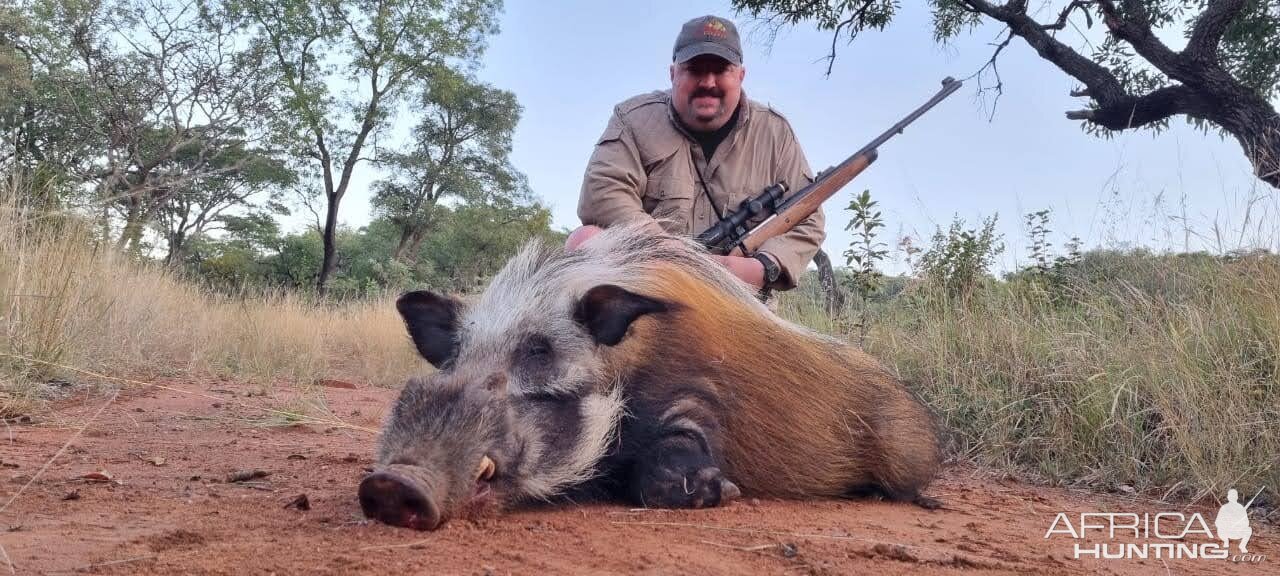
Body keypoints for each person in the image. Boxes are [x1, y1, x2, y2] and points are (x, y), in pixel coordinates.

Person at [570, 15, 825, 293]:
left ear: (740, 75)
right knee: (585, 240)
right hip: (648, 284)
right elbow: (603, 191)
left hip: (736, 294)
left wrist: (765, 266)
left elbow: (808, 216)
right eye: (694, 69)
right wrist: (670, 253)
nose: (708, 82)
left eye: (721, 69)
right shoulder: (633, 120)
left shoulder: (775, 133)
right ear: (673, 73)